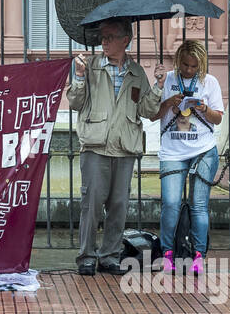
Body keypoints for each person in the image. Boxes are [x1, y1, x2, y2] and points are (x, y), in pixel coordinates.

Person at [68, 17, 165, 276]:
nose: (104, 41)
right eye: (103, 37)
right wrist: (78, 76)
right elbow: (75, 102)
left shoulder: (136, 73)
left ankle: (109, 256)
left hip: (125, 147)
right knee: (91, 205)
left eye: (110, 37)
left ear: (125, 40)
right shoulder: (90, 67)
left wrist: (158, 86)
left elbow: (148, 110)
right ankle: (87, 257)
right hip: (95, 145)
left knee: (119, 205)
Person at [154, 39, 225, 275]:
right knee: (171, 203)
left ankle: (198, 255)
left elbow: (218, 119)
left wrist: (204, 108)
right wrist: (169, 103)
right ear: (178, 61)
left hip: (203, 149)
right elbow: (154, 113)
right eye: (185, 65)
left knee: (199, 205)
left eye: (194, 67)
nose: (189, 70)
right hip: (172, 150)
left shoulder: (209, 82)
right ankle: (167, 254)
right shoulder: (168, 79)